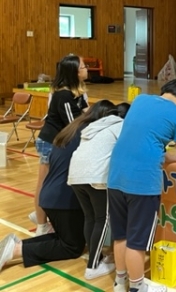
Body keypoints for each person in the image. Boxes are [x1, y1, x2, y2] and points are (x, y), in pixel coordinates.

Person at [0, 101, 117, 273]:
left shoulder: (72, 129)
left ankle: (16, 245)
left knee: (66, 238)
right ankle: (17, 250)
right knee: (72, 247)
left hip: (50, 194)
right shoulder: (91, 134)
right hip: (64, 198)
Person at [107, 79, 176, 292]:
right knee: (137, 241)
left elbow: (143, 138)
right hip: (143, 181)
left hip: (116, 175)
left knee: (121, 235)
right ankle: (138, 286)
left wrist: (164, 155)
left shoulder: (140, 100)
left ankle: (120, 282)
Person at [68, 102, 131, 280]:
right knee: (102, 220)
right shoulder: (120, 125)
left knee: (90, 217)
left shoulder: (95, 125)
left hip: (75, 174)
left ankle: (96, 257)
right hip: (95, 176)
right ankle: (92, 266)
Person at [31, 54, 89, 235]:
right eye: (83, 66)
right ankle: (41, 225)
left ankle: (44, 215)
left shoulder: (77, 91)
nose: (86, 69)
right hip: (50, 142)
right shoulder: (63, 95)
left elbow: (87, 112)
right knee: (44, 183)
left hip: (60, 143)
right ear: (74, 72)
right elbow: (74, 124)